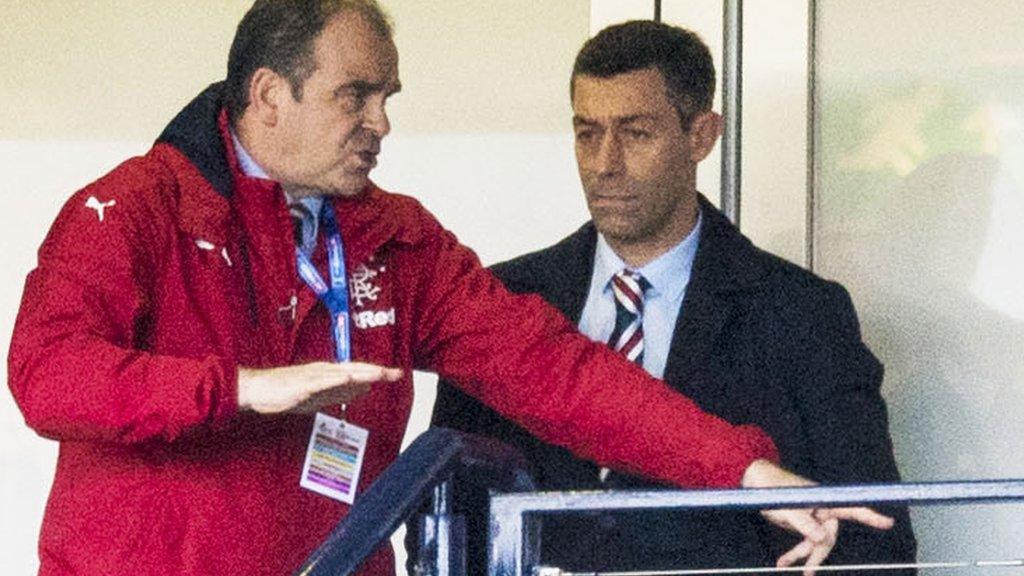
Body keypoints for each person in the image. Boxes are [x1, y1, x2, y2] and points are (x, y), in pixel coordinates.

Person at [7, 3, 891, 576]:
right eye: (358, 96)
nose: (382, 122)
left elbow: (557, 371)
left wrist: (741, 469)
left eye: (387, 95)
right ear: (271, 94)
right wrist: (235, 389)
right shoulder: (132, 207)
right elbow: (45, 375)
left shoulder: (398, 238)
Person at [428, 20, 917, 576]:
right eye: (587, 133)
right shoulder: (502, 301)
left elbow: (875, 543)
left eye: (635, 133)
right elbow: (446, 519)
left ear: (702, 136)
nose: (604, 163)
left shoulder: (802, 314)